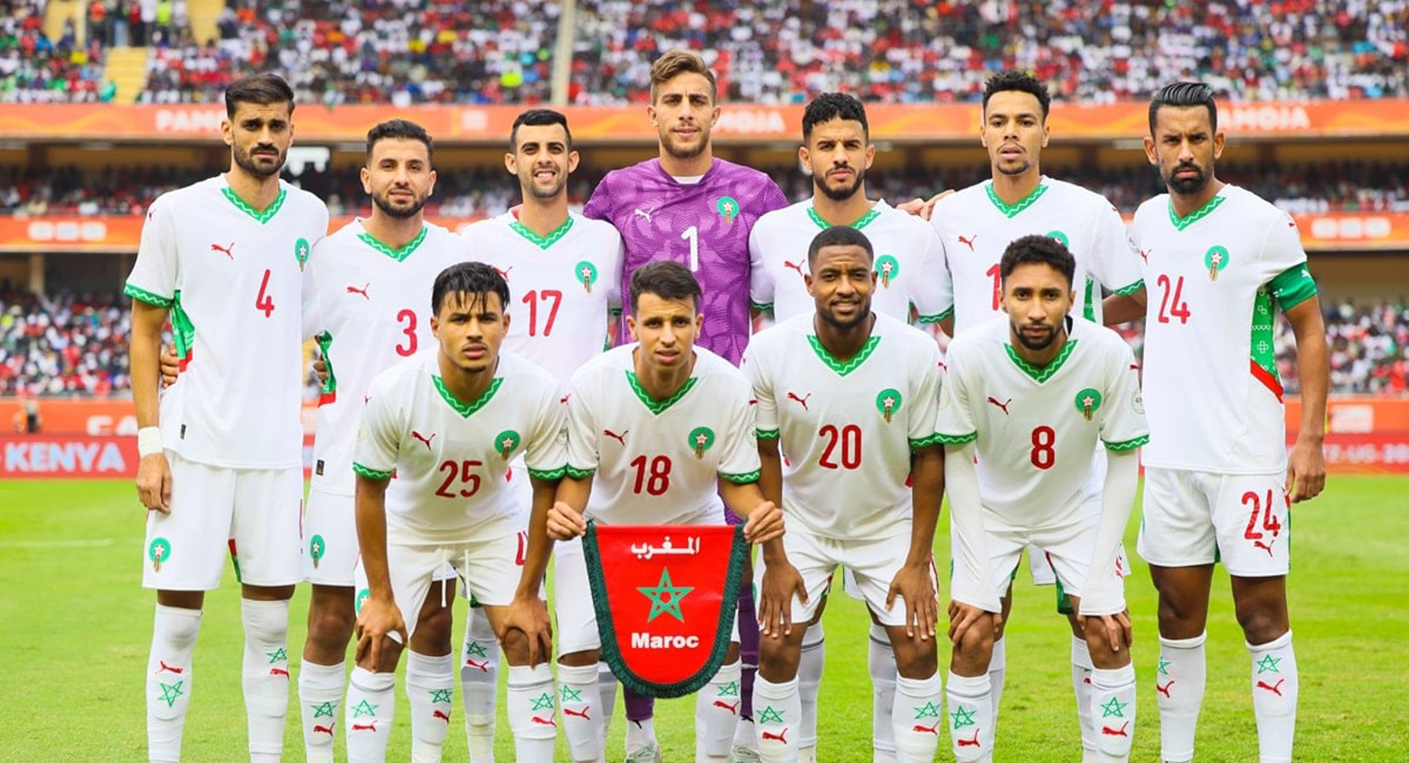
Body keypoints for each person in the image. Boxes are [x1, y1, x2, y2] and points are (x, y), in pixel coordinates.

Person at [927, 70, 1147, 760]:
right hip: (987, 445)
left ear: (1046, 132)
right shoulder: (950, 215)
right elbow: (937, 310)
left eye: (1025, 121)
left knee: (1099, 620)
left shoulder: (1088, 210)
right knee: (975, 623)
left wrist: (1069, 332)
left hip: (1072, 452)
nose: (1011, 133)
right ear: (982, 131)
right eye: (999, 121)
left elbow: (1135, 292)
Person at [581, 49, 789, 761]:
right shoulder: (615, 191)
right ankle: (639, 730)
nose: (685, 112)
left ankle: (746, 724)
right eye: (672, 101)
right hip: (642, 407)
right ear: (653, 112)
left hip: (727, 403)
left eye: (697, 100)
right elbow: (582, 267)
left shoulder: (757, 191)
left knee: (741, 569)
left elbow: (799, 260)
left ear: (715, 111)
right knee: (635, 569)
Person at [126, 73, 329, 763]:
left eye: (276, 125)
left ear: (292, 130)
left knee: (270, 627)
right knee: (178, 628)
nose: (265, 137)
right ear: (227, 130)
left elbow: (314, 315)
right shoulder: (177, 212)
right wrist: (149, 444)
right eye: (252, 124)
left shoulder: (311, 216)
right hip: (193, 445)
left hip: (275, 451)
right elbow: (145, 331)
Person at [746, 91, 952, 763]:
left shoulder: (913, 343)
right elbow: (764, 451)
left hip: (885, 511)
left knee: (917, 640)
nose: (844, 286)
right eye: (830, 276)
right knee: (778, 639)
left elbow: (930, 457)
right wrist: (776, 554)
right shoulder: (771, 340)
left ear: (876, 279)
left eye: (857, 276)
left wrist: (918, 559)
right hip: (802, 512)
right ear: (805, 282)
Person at [1128, 81, 1327, 763]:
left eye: (1196, 138)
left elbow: (1309, 328)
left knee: (1260, 615)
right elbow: (1139, 299)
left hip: (1244, 455)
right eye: (1171, 139)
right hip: (1167, 454)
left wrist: (1310, 438)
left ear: (1218, 142)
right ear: (1150, 147)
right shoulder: (1145, 222)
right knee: (1175, 615)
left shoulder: (1261, 224)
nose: (1185, 151)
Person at [539, 261, 785, 763]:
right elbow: (578, 480)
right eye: (654, 323)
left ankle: (713, 759)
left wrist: (760, 511)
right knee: (578, 651)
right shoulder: (593, 383)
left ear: (699, 323)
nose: (667, 336)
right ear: (632, 326)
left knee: (723, 648)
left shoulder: (729, 387)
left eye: (679, 321)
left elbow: (736, 483)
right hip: (603, 529)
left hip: (691, 525)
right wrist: (564, 513)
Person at [347, 262, 568, 763]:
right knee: (378, 643)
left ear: (506, 324)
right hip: (409, 527)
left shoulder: (538, 390)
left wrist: (529, 594)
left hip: (492, 526)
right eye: (459, 319)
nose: (474, 331)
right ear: (434, 326)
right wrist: (380, 596)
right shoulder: (394, 391)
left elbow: (545, 492)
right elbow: (369, 492)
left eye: (486, 318)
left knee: (528, 639)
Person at [459, 107, 624, 762]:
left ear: (572, 159)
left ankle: (590, 749)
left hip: (584, 450)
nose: (544, 158)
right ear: (512, 161)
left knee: (585, 620)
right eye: (530, 148)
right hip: (501, 451)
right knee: (489, 614)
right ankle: (480, 750)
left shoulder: (604, 241)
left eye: (555, 147)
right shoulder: (476, 240)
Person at [297, 119, 462, 763]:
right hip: (344, 465)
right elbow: (272, 331)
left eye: (414, 166)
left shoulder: (456, 257)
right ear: (367, 177)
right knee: (332, 620)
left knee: (434, 623)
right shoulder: (327, 259)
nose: (401, 177)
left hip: (431, 474)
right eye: (388, 165)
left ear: (432, 180)